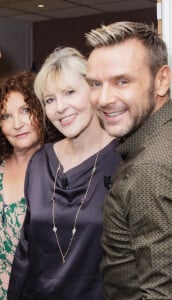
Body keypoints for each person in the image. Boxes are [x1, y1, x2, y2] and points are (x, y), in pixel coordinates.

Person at [7, 47, 121, 299]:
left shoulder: (122, 159)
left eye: (69, 92)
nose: (60, 107)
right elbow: (26, 250)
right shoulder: (40, 162)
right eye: (49, 99)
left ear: (93, 91)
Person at [85, 21, 172, 299]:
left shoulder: (149, 167)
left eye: (122, 81)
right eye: (95, 84)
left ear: (161, 80)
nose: (104, 99)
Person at [0, 72, 46, 299]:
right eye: (5, 116)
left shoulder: (57, 170)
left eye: (26, 111)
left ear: (42, 110)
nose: (17, 124)